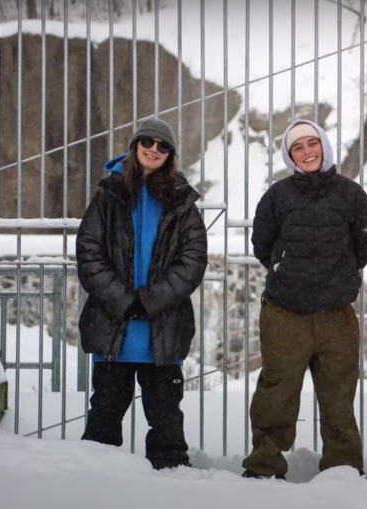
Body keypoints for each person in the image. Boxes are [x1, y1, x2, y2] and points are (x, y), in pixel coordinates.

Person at [241, 119, 367, 480]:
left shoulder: (351, 194)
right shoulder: (277, 196)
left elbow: (364, 243)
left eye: (312, 144)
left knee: (339, 395)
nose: (307, 152)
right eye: (297, 147)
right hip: (285, 312)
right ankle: (265, 466)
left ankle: (344, 467)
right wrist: (285, 267)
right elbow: (262, 245)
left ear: (324, 147)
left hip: (337, 315)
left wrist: (342, 275)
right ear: (289, 155)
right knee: (277, 392)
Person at [78, 118, 208, 470]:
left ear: (170, 154)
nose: (154, 149)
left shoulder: (182, 201)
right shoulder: (108, 194)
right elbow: (89, 252)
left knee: (167, 424)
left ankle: (171, 488)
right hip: (113, 329)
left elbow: (193, 260)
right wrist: (125, 300)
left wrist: (150, 301)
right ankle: (93, 486)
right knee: (103, 421)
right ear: (135, 145)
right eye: (147, 141)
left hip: (162, 331)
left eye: (162, 145)